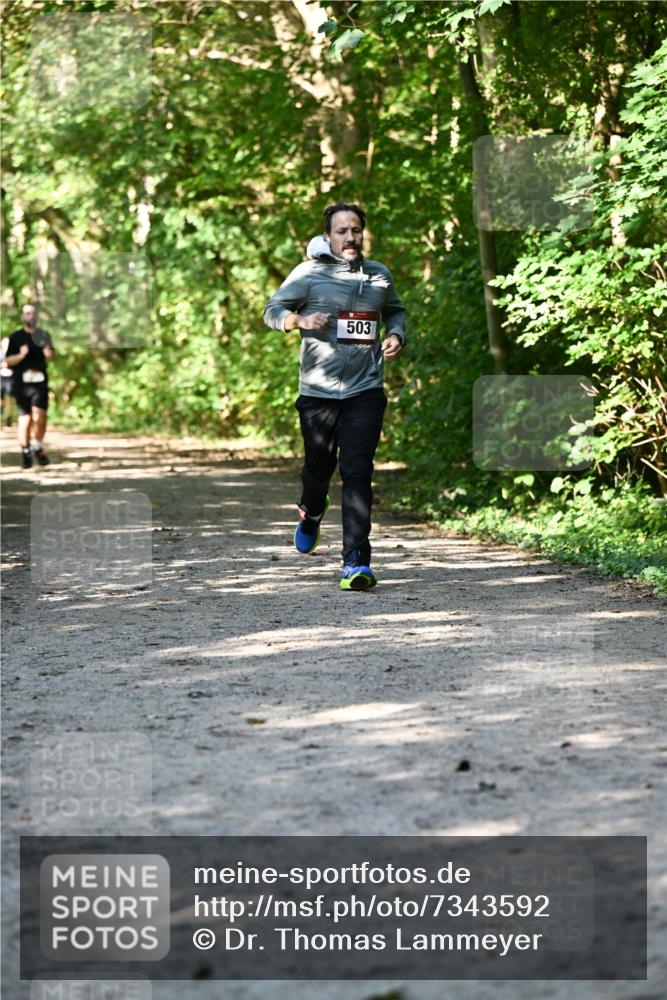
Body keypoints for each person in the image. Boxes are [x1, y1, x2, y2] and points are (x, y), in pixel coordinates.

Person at [263, 201, 407, 591]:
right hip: (318, 392)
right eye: (342, 231)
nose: (350, 237)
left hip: (366, 390)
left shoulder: (378, 275)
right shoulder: (309, 274)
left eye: (356, 230)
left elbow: (395, 311)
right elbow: (272, 309)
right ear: (328, 236)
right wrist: (299, 320)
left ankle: (356, 563)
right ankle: (311, 511)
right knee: (317, 471)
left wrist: (396, 334)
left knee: (357, 472)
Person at [3, 303, 54, 469]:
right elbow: (7, 362)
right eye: (27, 313)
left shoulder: (44, 335)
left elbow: (51, 355)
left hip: (40, 382)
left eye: (33, 313)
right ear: (22, 316)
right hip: (22, 383)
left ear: (37, 316)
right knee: (25, 419)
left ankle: (37, 446)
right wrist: (21, 355)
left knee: (41, 417)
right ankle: (25, 450)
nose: (30, 316)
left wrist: (48, 352)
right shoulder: (16, 337)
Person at [1, 335, 16, 426]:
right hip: (1, 378)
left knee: (10, 399)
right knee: (1, 399)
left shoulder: (13, 354)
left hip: (11, 379)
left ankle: (9, 419)